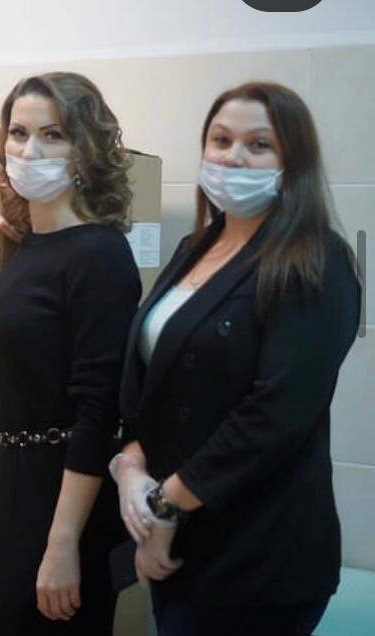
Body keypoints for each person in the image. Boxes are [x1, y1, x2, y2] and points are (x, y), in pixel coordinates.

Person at [111, 81, 360, 636]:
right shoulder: (194, 248)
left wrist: (167, 505)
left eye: (258, 144)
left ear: (292, 164)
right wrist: (130, 464)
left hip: (258, 558)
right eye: (221, 140)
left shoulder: (316, 260)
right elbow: (156, 380)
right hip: (179, 546)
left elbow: (276, 415)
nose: (233, 157)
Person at [0, 72, 139, 635]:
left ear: (85, 149)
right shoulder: (33, 246)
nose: (29, 151)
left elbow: (98, 411)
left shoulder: (100, 255)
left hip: (66, 494)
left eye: (53, 135)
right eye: (18, 133)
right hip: (18, 483)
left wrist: (63, 542)